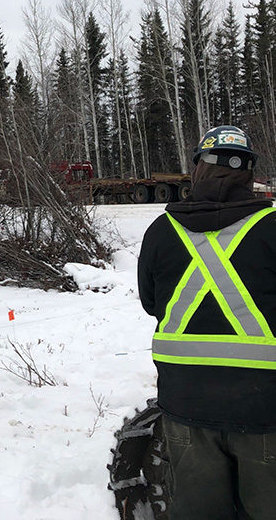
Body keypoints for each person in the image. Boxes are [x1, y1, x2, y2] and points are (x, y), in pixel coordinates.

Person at [138, 125, 276, 519]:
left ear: (198, 168)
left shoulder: (161, 231)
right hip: (264, 408)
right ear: (248, 174)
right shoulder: (271, 229)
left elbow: (151, 303)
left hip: (185, 403)